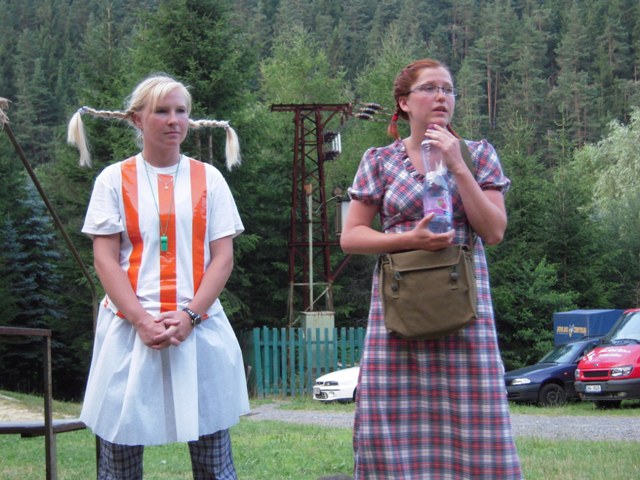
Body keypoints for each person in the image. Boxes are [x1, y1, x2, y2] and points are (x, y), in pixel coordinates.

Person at [340, 59, 523, 479]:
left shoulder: (478, 155)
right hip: (399, 310)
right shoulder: (379, 160)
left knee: (474, 423)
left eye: (448, 89)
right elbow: (351, 237)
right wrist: (410, 239)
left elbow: (493, 231)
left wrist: (457, 165)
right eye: (429, 88)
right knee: (391, 422)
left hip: (465, 311)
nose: (442, 96)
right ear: (404, 102)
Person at [67, 74, 249, 479]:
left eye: (181, 111)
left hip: (198, 328)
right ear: (137, 119)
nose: (173, 120)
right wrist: (141, 321)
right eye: (162, 111)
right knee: (119, 452)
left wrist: (190, 315)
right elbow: (105, 260)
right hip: (129, 330)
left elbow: (222, 258)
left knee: (213, 456)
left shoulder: (209, 179)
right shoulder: (113, 180)